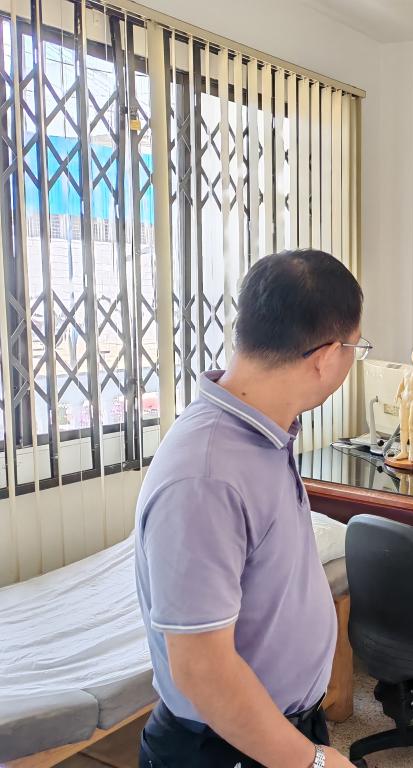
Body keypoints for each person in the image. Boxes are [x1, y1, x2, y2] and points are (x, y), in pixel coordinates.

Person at [135, 249, 370, 767]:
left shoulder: (264, 431)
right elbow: (201, 670)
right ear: (328, 356)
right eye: (357, 347)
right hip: (224, 746)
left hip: (276, 727)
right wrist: (310, 762)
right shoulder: (206, 474)